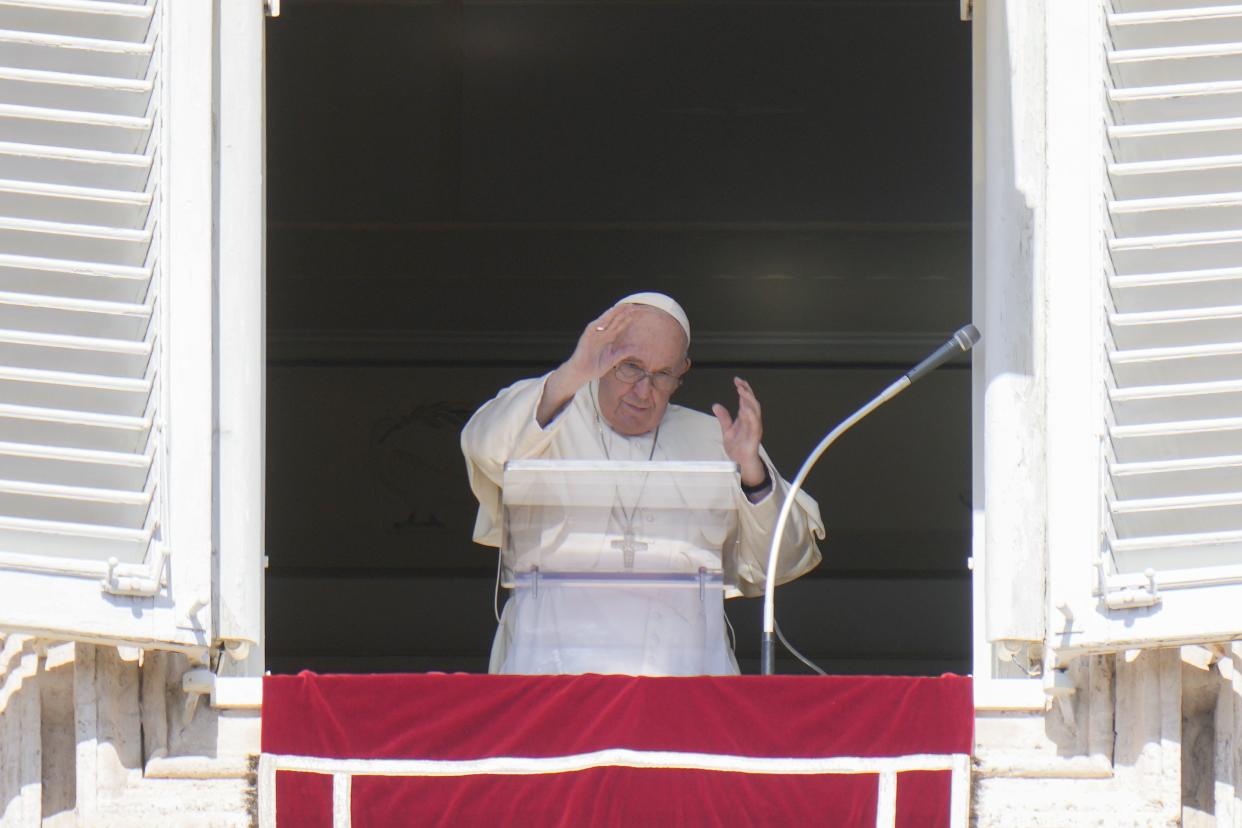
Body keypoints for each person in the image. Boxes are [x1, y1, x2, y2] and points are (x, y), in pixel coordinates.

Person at [461, 292, 824, 675]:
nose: (642, 390)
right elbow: (485, 447)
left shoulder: (718, 440)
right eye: (629, 366)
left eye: (662, 374)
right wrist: (572, 373)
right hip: (551, 666)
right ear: (602, 357)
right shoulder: (548, 408)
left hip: (684, 672)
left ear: (681, 373)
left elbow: (785, 559)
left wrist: (752, 473)